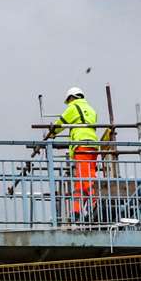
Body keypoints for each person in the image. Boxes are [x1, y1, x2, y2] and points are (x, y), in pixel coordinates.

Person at [50, 86, 100, 222]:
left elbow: (61, 123)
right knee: (83, 178)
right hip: (93, 145)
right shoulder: (91, 110)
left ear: (71, 98)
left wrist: (52, 132)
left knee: (85, 177)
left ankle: (96, 202)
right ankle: (76, 211)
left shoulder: (73, 107)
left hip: (81, 144)